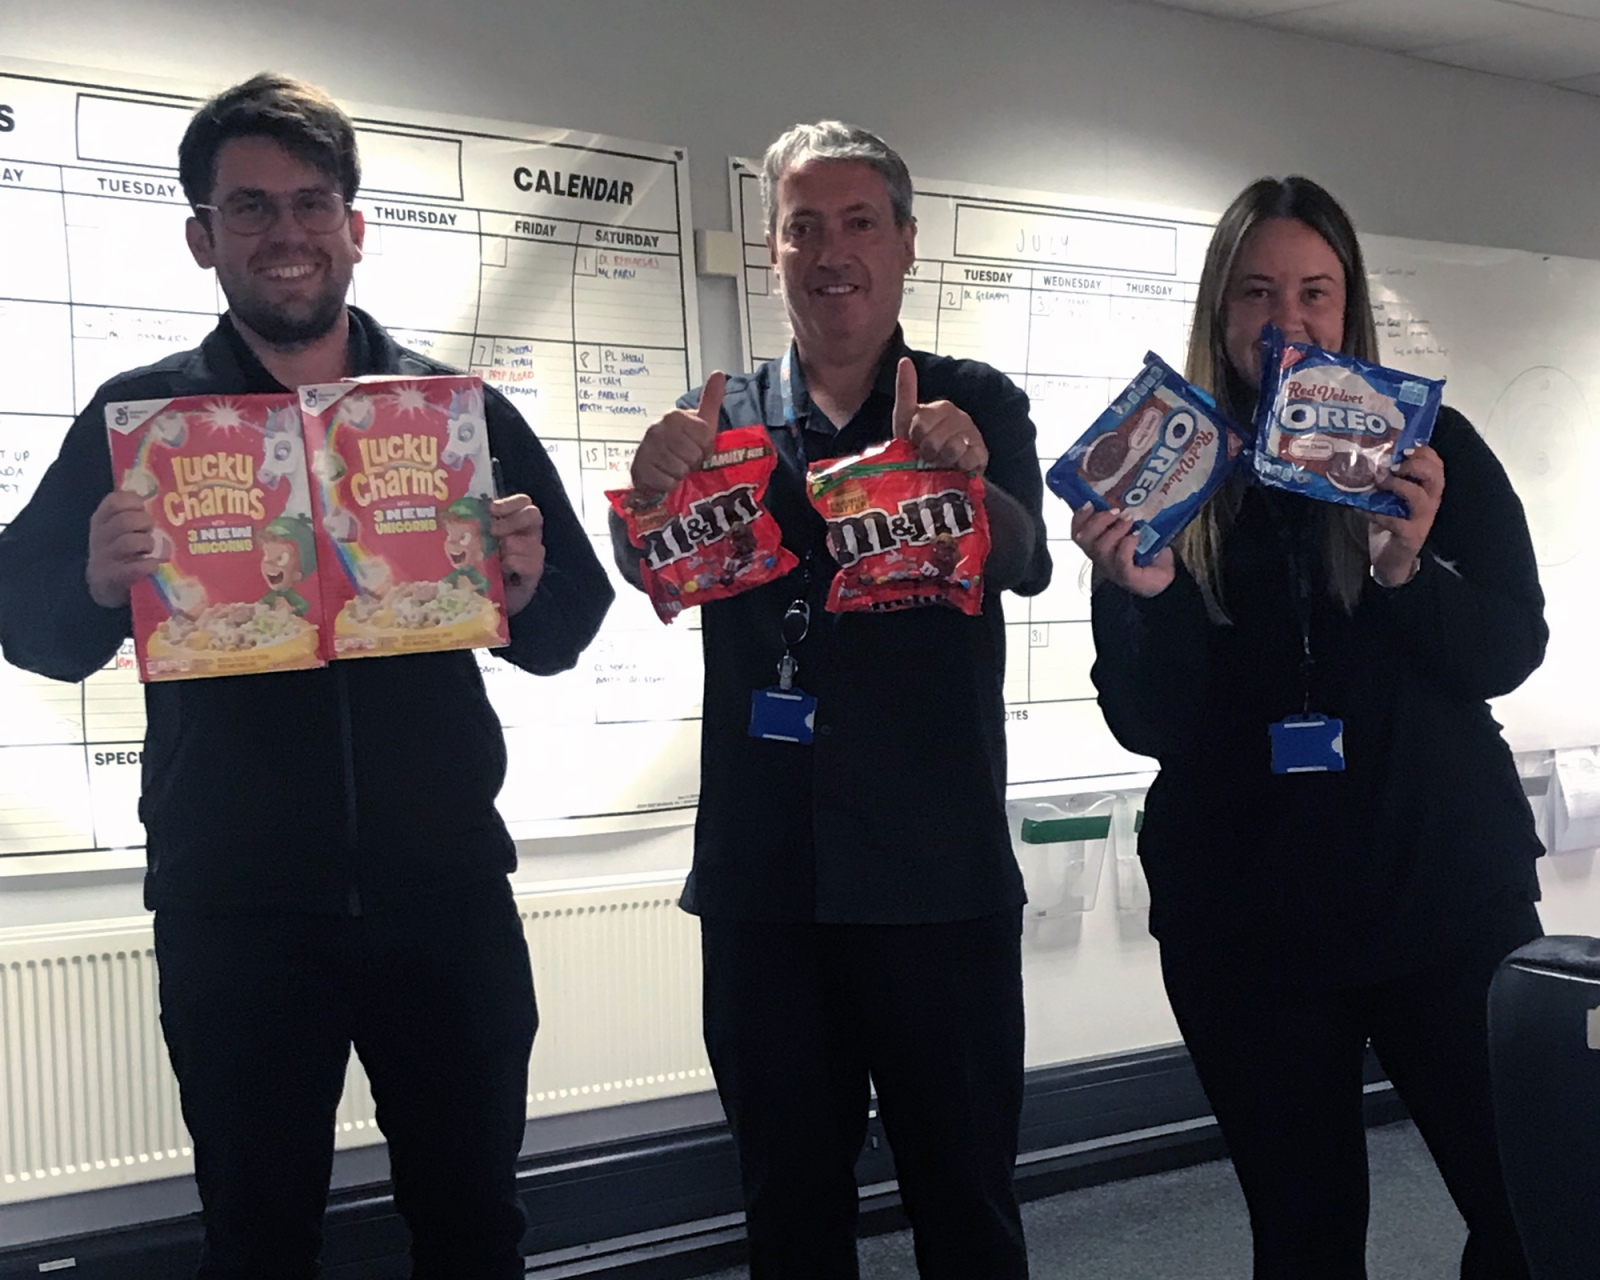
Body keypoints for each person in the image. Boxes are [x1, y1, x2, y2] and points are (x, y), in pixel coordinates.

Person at [0, 73, 613, 1280]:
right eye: (249, 209)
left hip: (443, 897)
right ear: (201, 235)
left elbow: (567, 628)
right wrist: (88, 573)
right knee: (257, 1228)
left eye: (310, 203)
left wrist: (529, 579)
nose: (286, 235)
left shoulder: (453, 412)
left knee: (474, 1217)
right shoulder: (141, 419)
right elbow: (36, 633)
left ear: (354, 226)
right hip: (236, 909)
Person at [1074, 176, 1544, 1279]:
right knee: (1304, 1237)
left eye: (1314, 292)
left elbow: (1508, 649)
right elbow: (1151, 725)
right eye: (1256, 292)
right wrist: (1148, 600)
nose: (1285, 323)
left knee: (1531, 1204)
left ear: (1350, 308)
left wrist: (1402, 567)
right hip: (1249, 924)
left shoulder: (1435, 449)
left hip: (1439, 892)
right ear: (1216, 308)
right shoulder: (1161, 471)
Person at [611, 121, 1052, 1280]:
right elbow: (653, 565)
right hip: (767, 892)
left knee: (965, 1201)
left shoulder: (972, 400)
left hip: (933, 886)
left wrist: (965, 480)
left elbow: (1024, 556)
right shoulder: (723, 418)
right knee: (788, 1211)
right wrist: (646, 497)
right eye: (804, 226)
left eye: (860, 222)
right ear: (774, 252)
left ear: (906, 244)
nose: (832, 250)